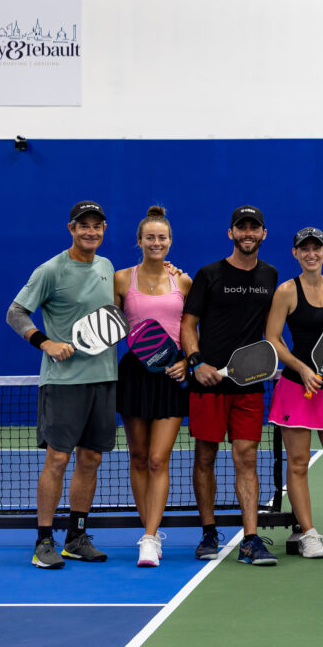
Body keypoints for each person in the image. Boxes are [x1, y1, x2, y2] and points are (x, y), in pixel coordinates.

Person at [6, 200, 117, 568]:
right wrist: (46, 342)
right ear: (71, 228)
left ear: (103, 229)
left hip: (104, 378)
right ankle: (43, 540)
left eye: (97, 226)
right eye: (83, 225)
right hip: (64, 382)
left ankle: (76, 537)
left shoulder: (106, 266)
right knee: (58, 458)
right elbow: (16, 312)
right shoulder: (50, 270)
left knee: (91, 458)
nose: (91, 232)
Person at [181, 205, 279, 566]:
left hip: (249, 386)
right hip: (208, 384)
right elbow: (188, 324)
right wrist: (196, 363)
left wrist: (270, 362)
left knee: (246, 458)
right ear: (231, 233)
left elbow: (272, 328)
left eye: (255, 228)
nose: (248, 233)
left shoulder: (271, 275)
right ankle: (208, 533)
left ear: (263, 234)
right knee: (205, 457)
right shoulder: (209, 274)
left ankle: (251, 540)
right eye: (242, 228)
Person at [266, 227, 323, 558]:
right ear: (295, 254)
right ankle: (309, 534)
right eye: (304, 248)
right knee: (299, 462)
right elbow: (273, 337)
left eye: (316, 248)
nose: (310, 253)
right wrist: (302, 368)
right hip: (295, 388)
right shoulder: (286, 292)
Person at [114, 206, 192, 567]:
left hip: (171, 375)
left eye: (162, 237)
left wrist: (188, 361)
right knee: (139, 457)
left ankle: (149, 537)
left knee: (160, 459)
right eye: (150, 237)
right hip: (134, 373)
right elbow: (110, 327)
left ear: (170, 241)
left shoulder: (183, 282)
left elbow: (192, 329)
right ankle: (149, 532)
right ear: (139, 241)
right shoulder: (120, 279)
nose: (156, 242)